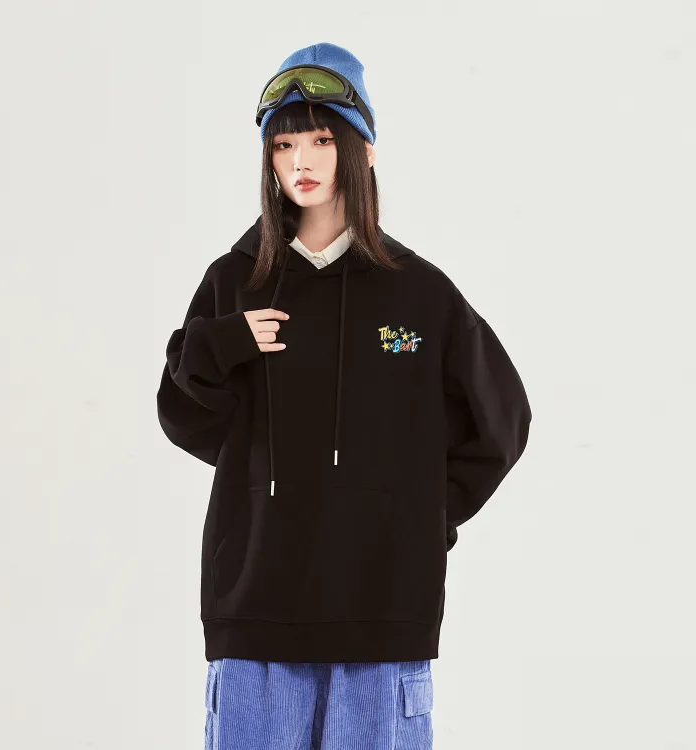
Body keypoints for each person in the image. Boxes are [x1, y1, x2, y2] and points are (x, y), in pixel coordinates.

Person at [156, 42, 532, 750]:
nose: (300, 160)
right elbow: (186, 419)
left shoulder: (419, 292)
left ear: (363, 152)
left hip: (382, 612)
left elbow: (502, 420)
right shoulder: (235, 281)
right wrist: (220, 343)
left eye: (322, 140)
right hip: (257, 609)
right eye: (283, 144)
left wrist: (422, 516)